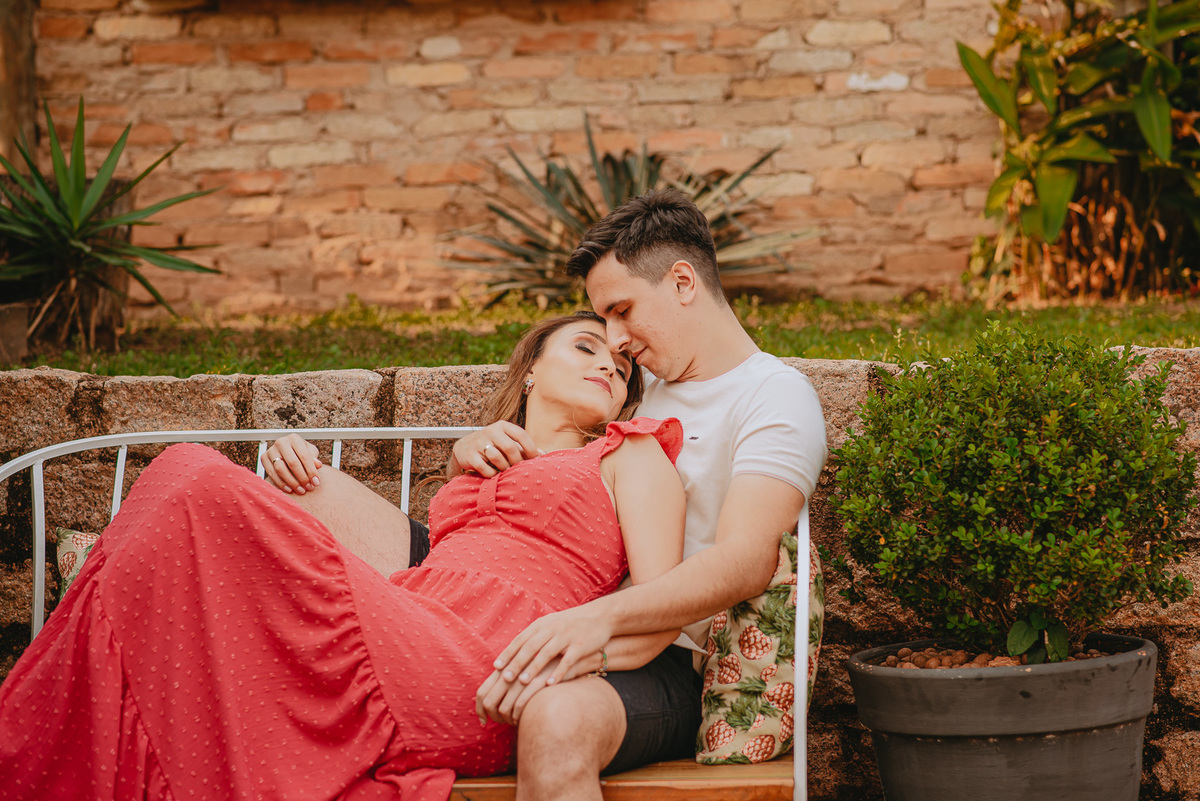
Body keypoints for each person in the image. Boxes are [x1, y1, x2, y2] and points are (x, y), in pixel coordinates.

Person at [0, 311, 689, 801]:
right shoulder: (477, 465)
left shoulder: (628, 451)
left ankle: (19, 747)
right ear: (531, 369)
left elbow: (661, 597)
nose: (609, 363)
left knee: (190, 473)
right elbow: (406, 556)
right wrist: (293, 479)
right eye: (588, 347)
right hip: (416, 623)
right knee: (190, 485)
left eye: (622, 365)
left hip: (490, 661)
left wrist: (558, 656)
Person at [453, 189, 828, 800]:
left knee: (556, 722)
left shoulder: (774, 398)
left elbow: (746, 558)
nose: (614, 339)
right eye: (601, 320)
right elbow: (552, 461)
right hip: (545, 608)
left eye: (622, 310)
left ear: (683, 282)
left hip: (664, 662)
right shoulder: (631, 385)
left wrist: (596, 623)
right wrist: (474, 445)